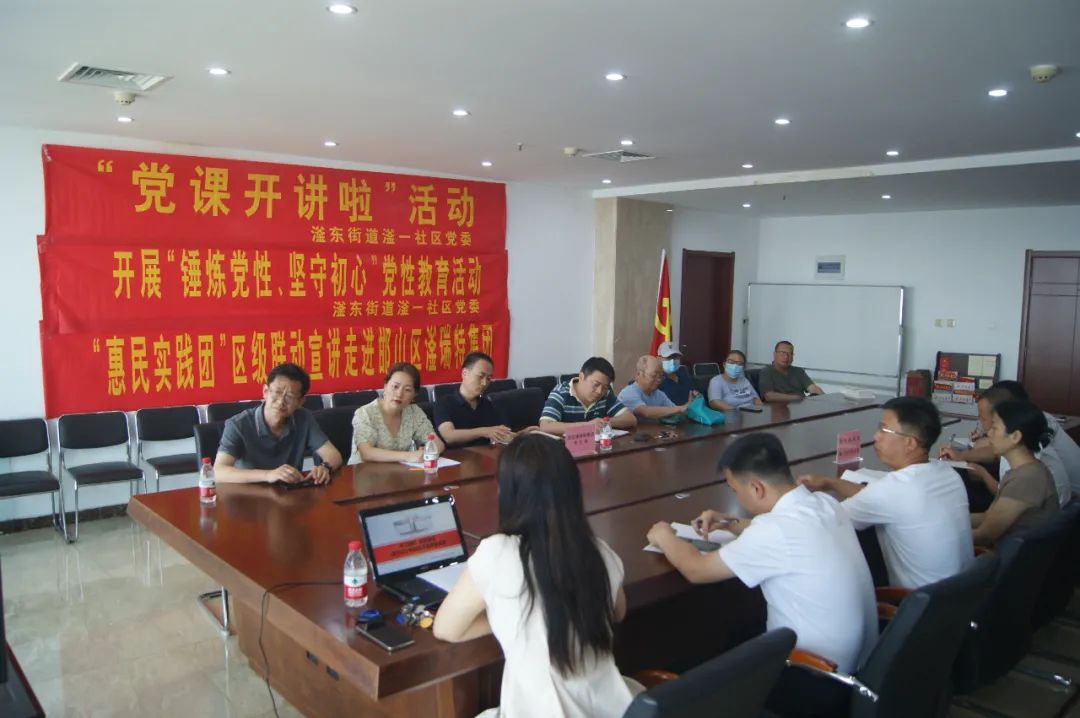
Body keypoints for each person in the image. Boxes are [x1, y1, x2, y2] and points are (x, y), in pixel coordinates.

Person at [646, 433, 876, 716]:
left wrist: (664, 536)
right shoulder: (823, 504)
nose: (736, 497)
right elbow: (780, 532)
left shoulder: (774, 531)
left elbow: (697, 570)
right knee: (735, 634)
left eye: (734, 490)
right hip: (857, 668)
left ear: (756, 487)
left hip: (811, 680)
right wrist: (731, 522)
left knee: (708, 659)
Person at [434, 435, 641, 718]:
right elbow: (617, 611)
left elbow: (447, 629)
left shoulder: (497, 552)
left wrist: (514, 615)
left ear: (507, 492)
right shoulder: (598, 551)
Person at [799, 397, 973, 588]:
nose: (876, 436)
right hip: (962, 595)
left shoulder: (894, 490)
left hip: (914, 602)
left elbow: (826, 521)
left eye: (884, 430)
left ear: (910, 443)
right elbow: (877, 496)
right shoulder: (947, 473)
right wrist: (830, 482)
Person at [941, 380, 1076, 506]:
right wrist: (963, 455)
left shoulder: (1023, 454)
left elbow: (1005, 495)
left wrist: (982, 474)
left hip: (1061, 509)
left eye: (985, 420)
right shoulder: (1026, 429)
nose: (986, 429)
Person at [215, 362, 343, 484]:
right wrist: (268, 475)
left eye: (289, 396)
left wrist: (324, 467)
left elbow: (334, 455)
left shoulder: (303, 418)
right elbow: (219, 472)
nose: (281, 401)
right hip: (250, 493)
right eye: (277, 392)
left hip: (290, 492)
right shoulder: (237, 425)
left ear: (300, 402)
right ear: (265, 392)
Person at [970, 400, 1060, 547]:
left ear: (1015, 436)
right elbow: (988, 517)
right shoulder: (1025, 470)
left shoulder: (1027, 479)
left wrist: (939, 533)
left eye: (995, 428)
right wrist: (952, 520)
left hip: (1015, 558)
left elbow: (984, 536)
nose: (989, 433)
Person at [348, 362, 444, 464]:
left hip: (398, 471)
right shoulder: (365, 413)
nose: (399, 394)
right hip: (363, 471)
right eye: (395, 386)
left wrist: (426, 452)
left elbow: (438, 444)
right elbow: (367, 453)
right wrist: (409, 456)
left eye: (407, 390)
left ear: (414, 395)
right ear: (385, 386)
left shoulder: (414, 412)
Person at [436, 352, 524, 447]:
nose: (484, 383)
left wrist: (522, 435)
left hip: (485, 454)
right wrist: (484, 431)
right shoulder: (445, 403)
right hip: (459, 455)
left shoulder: (486, 404)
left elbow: (499, 433)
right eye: (480, 376)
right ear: (464, 373)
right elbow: (449, 436)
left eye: (488, 378)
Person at [539, 357, 637, 435]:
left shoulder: (605, 394)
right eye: (596, 384)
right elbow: (545, 426)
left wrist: (604, 422)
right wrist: (587, 426)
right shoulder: (561, 393)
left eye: (605, 387)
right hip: (566, 450)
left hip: (598, 449)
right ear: (581, 377)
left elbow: (630, 419)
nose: (599, 391)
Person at [617, 355, 694, 421]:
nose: (659, 380)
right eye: (654, 376)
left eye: (661, 376)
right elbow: (646, 412)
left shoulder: (659, 394)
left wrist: (688, 405)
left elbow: (675, 411)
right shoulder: (628, 393)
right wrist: (680, 408)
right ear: (638, 374)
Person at [758, 341, 824, 403]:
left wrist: (826, 400)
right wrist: (797, 398)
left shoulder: (799, 371)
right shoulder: (766, 371)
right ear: (774, 354)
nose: (786, 357)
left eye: (790, 354)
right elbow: (769, 396)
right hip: (780, 408)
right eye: (782, 353)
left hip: (801, 406)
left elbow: (813, 388)